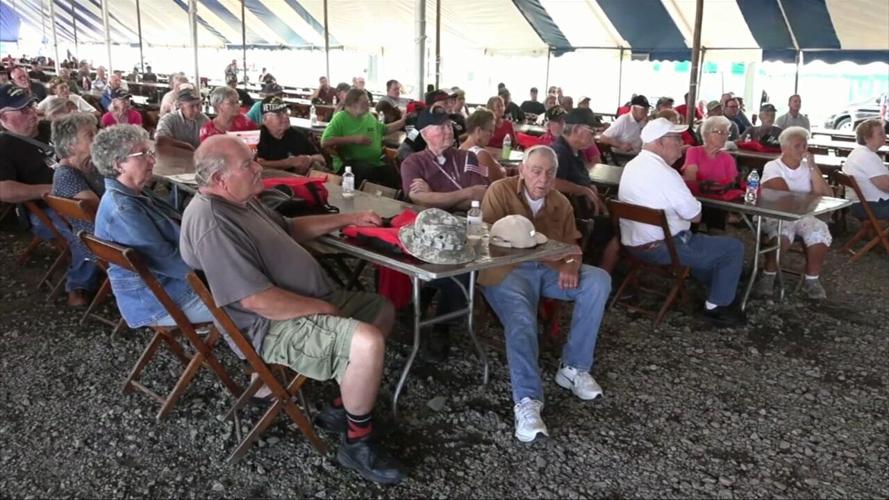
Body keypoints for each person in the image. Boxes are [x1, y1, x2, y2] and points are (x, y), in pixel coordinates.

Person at [180, 134, 405, 485]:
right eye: (248, 165)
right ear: (220, 179)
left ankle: (340, 409)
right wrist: (323, 308)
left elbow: (290, 227)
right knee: (367, 341)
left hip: (299, 301)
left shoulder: (241, 200)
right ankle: (357, 443)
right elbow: (255, 300)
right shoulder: (213, 222)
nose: (258, 168)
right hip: (269, 325)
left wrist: (350, 219)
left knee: (381, 309)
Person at [480, 145, 612, 443]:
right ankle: (527, 401)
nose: (543, 179)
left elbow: (572, 248)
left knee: (598, 280)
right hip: (506, 270)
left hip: (548, 271)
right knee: (522, 319)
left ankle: (574, 367)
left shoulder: (560, 202)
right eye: (536, 171)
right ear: (523, 170)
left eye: (550, 173)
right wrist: (554, 258)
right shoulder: (500, 191)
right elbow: (488, 243)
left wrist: (571, 265)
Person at [618, 118, 746, 326]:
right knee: (733, 248)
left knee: (708, 246)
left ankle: (718, 280)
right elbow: (695, 216)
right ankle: (716, 306)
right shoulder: (667, 174)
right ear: (659, 142)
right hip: (663, 247)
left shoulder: (632, 165)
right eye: (676, 138)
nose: (682, 143)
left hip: (633, 243)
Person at [92, 124, 213, 328]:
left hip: (169, 289)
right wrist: (223, 269)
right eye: (143, 154)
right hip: (164, 300)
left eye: (150, 152)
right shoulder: (123, 210)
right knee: (253, 296)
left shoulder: (134, 194)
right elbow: (172, 263)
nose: (152, 160)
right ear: (119, 164)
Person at [756, 127, 833, 299]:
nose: (803, 150)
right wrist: (811, 198)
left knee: (819, 230)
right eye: (797, 146)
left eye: (805, 145)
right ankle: (768, 274)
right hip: (776, 212)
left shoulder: (807, 167)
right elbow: (785, 198)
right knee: (783, 233)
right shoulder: (773, 167)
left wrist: (813, 167)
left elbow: (827, 195)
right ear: (784, 148)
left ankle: (812, 279)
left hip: (803, 214)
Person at [50, 112, 103, 305]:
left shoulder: (90, 166)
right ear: (71, 145)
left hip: (104, 236)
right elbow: (103, 213)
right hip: (104, 242)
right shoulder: (66, 176)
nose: (98, 138)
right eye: (90, 135)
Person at [401, 108, 492, 210]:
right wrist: (468, 192)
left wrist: (433, 196)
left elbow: (480, 197)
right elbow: (418, 199)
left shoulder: (468, 156)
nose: (449, 131)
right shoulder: (412, 163)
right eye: (442, 127)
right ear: (424, 134)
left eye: (449, 125)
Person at [320, 88, 406, 188]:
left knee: (392, 174)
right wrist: (354, 139)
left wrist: (403, 121)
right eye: (365, 102)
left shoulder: (368, 116)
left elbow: (384, 129)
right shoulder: (340, 118)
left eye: (368, 101)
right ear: (353, 103)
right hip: (348, 164)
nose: (368, 105)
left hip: (374, 162)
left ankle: (394, 200)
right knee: (366, 172)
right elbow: (325, 142)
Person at [0, 84, 55, 207]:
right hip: (50, 208)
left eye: (31, 105)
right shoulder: (3, 146)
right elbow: (4, 190)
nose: (31, 112)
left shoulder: (49, 126)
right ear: (4, 117)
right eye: (23, 110)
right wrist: (53, 189)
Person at [256, 96, 325, 173]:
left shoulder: (295, 134)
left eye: (285, 111)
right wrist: (290, 162)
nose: (286, 116)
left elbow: (321, 158)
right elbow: (256, 165)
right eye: (278, 114)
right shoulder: (257, 137)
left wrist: (308, 159)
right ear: (265, 119)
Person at [842, 118, 889, 219]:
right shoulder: (866, 156)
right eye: (880, 134)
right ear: (867, 138)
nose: (885, 136)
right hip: (874, 206)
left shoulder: (859, 152)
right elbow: (885, 186)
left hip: (862, 204)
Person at [459, 108, 507, 182]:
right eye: (490, 131)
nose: (492, 135)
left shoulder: (460, 148)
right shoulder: (481, 155)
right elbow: (500, 183)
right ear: (478, 131)